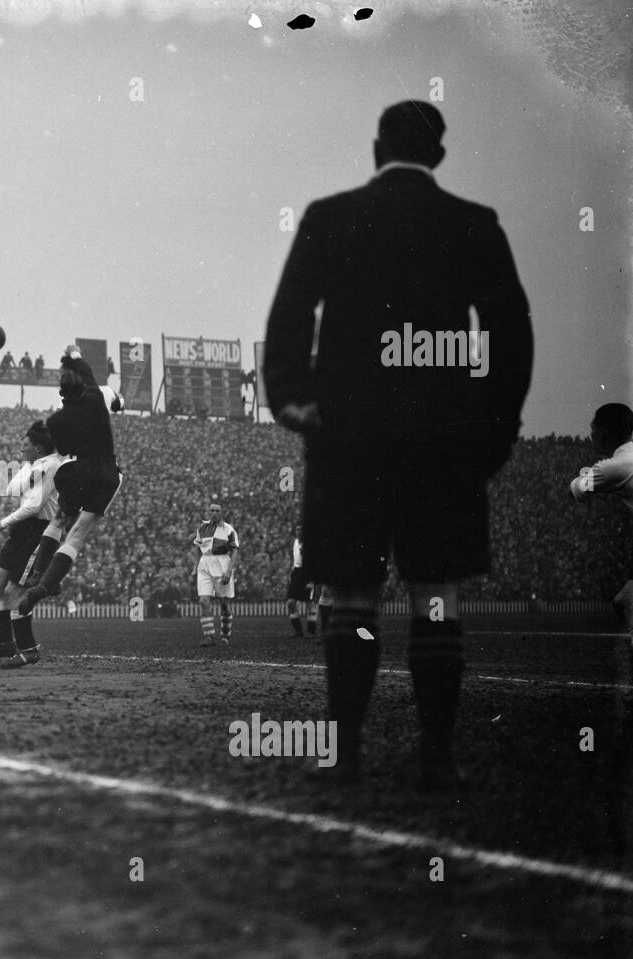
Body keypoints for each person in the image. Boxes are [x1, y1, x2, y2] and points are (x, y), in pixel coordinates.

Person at [263, 100, 533, 789]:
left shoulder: (329, 215)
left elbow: (290, 313)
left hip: (348, 436)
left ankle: (346, 752)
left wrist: (291, 397)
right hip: (442, 437)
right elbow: (510, 331)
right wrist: (495, 426)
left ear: (377, 147)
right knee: (435, 593)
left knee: (351, 595)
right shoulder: (473, 224)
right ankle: (437, 758)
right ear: (438, 156)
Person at [18, 348, 122, 615]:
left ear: (62, 394)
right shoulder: (97, 398)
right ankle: (44, 586)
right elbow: (87, 372)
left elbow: (63, 451)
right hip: (106, 472)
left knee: (59, 520)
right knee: (78, 535)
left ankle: (39, 573)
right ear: (84, 387)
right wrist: (74, 353)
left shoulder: (56, 420)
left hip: (78, 470)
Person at [0, 421, 68, 668]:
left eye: (25, 444)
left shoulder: (51, 466)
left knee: (14, 593)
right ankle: (4, 644)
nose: (20, 448)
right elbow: (11, 489)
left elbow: (33, 505)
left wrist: (2, 523)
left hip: (41, 530)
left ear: (38, 448)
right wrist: (28, 468)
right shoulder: (34, 465)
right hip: (24, 530)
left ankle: (28, 649)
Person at [569, 402, 633, 652]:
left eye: (593, 429)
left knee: (628, 600)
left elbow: (577, 490)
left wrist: (586, 473)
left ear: (604, 433)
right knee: (626, 598)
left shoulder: (615, 467)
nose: (590, 434)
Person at [193, 502, 240, 646]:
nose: (214, 513)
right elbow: (197, 548)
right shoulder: (202, 528)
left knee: (224, 604)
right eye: (211, 510)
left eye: (217, 511)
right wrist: (195, 567)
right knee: (203, 601)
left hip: (222, 564)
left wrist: (229, 571)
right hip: (205, 564)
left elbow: (235, 551)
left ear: (222, 513)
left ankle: (225, 635)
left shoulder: (229, 530)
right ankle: (209, 637)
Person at [286, 524, 317, 637]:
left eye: (301, 529)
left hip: (307, 574)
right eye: (297, 529)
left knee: (310, 604)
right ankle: (298, 631)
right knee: (290, 603)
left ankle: (311, 631)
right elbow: (295, 558)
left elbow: (313, 563)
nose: (299, 531)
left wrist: (312, 581)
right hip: (296, 573)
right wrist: (292, 572)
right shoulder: (294, 542)